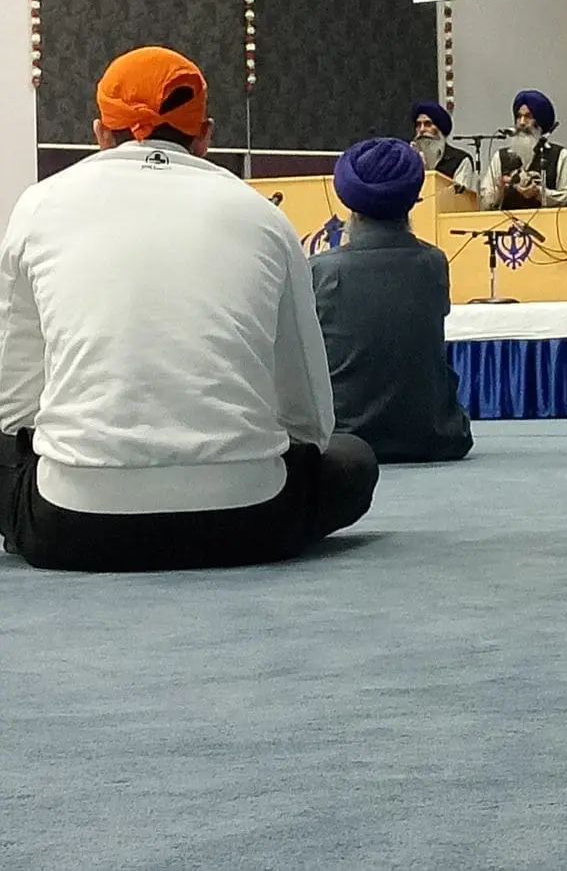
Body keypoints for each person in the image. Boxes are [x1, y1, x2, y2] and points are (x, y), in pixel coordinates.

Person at [0, 47, 378, 573]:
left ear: (100, 134)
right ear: (205, 135)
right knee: (353, 456)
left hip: (70, 526)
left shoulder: (37, 206)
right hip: (251, 521)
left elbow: (13, 404)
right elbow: (311, 416)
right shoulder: (261, 216)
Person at [311, 138, 473, 465]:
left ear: (349, 201)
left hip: (345, 439)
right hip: (434, 435)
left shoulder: (319, 270)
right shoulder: (434, 263)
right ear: (413, 199)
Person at [480, 90, 567, 210]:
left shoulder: (560, 155)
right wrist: (499, 190)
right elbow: (484, 204)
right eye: (519, 117)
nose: (522, 123)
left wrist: (539, 193)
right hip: (506, 226)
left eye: (528, 117)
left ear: (540, 121)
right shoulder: (500, 157)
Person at [411, 101, 476, 194]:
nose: (421, 130)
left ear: (440, 129)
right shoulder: (409, 159)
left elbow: (458, 198)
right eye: (418, 125)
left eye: (428, 124)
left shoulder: (460, 160)